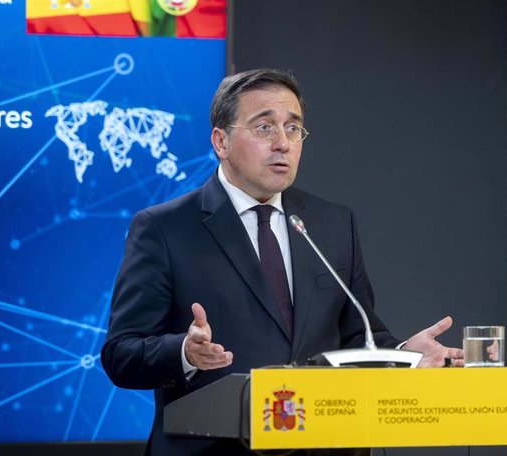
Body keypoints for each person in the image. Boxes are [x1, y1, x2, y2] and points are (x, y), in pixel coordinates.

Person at [101, 68, 464, 456]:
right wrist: (185, 354)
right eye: (264, 127)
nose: (283, 144)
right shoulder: (164, 228)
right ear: (221, 141)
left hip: (325, 446)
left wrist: (407, 356)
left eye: (293, 129)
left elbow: (358, 338)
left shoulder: (332, 223)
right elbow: (121, 353)